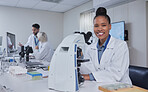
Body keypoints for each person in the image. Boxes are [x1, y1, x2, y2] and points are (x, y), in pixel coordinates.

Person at [80, 7, 132, 85]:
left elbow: (116, 73)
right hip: (99, 85)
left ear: (110, 27)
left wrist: (88, 76)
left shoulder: (121, 45)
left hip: (120, 87)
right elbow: (87, 68)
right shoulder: (90, 47)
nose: (99, 29)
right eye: (96, 26)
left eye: (103, 25)